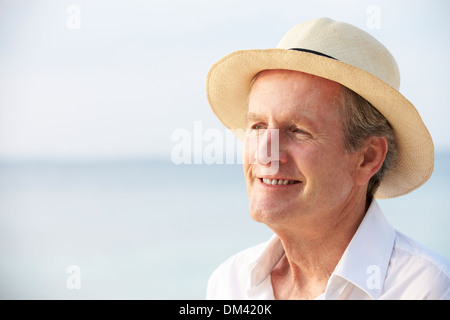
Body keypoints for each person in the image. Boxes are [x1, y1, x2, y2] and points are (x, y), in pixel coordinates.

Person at [204, 17, 450, 300]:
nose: (265, 154)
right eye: (258, 127)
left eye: (298, 130)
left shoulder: (428, 289)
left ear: (367, 158)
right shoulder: (230, 282)